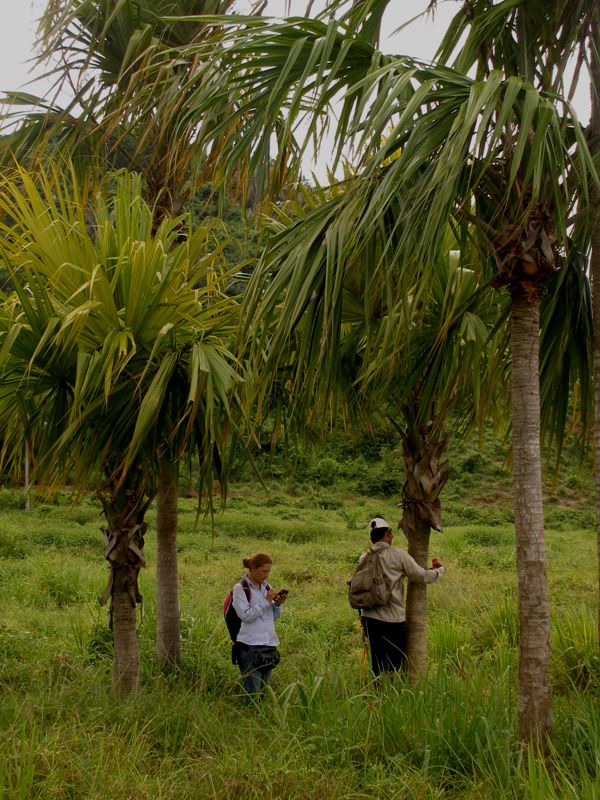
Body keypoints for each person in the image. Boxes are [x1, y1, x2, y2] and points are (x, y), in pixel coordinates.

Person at [360, 517, 445, 679]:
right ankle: (391, 692)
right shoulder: (398, 555)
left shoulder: (364, 557)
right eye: (390, 532)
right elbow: (420, 576)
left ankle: (379, 694)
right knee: (395, 663)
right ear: (388, 533)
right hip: (392, 620)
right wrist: (439, 571)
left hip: (370, 618)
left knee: (378, 662)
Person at [232, 552, 286, 701]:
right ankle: (247, 719)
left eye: (269, 571)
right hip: (250, 647)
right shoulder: (240, 589)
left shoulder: (266, 587)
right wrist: (266, 601)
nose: (267, 575)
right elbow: (246, 616)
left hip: (269, 645)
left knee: (264, 690)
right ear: (253, 568)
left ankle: (260, 719)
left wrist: (277, 605)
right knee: (251, 691)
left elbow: (273, 617)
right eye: (264, 571)